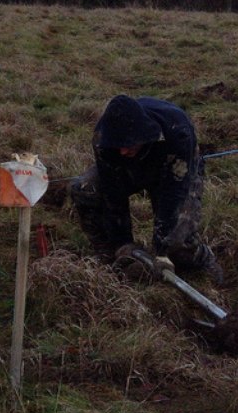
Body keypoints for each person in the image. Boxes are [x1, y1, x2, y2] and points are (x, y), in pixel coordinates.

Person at [71, 94, 223, 283]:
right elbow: (112, 191)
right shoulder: (104, 139)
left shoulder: (177, 131)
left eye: (128, 144)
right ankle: (110, 256)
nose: (122, 151)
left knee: (176, 240)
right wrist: (122, 243)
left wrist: (162, 248)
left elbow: (174, 191)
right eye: (118, 145)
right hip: (131, 169)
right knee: (85, 189)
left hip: (174, 172)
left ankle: (201, 259)